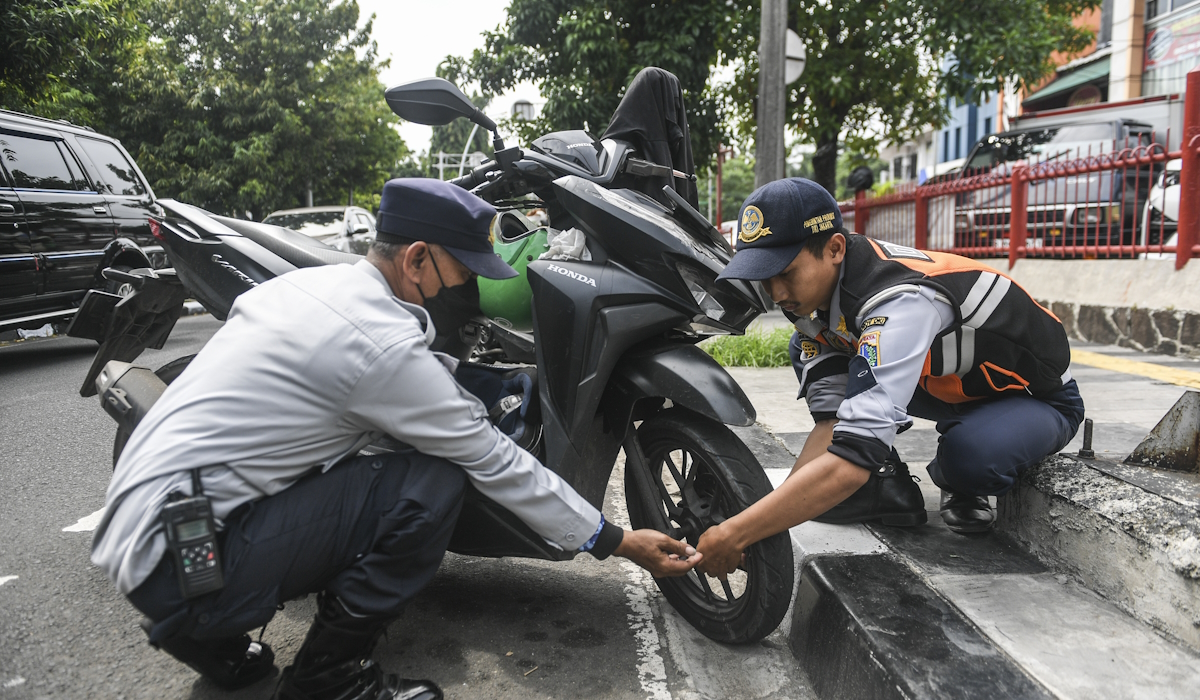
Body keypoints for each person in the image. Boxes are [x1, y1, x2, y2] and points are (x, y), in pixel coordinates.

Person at [91, 178, 701, 700]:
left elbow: (399, 377)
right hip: (187, 563)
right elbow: (490, 457)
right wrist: (615, 540)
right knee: (431, 479)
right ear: (415, 259)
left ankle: (202, 631)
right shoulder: (380, 344)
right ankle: (326, 679)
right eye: (459, 272)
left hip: (148, 535)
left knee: (359, 460)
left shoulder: (305, 289)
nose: (460, 288)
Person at [696, 177, 1084, 578]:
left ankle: (958, 478)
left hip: (1031, 398)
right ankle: (886, 475)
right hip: (946, 383)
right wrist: (762, 523)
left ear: (834, 249)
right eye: (763, 276)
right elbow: (832, 429)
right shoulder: (815, 294)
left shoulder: (900, 301)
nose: (776, 293)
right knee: (813, 348)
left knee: (969, 457)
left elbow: (848, 461)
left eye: (786, 273)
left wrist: (739, 531)